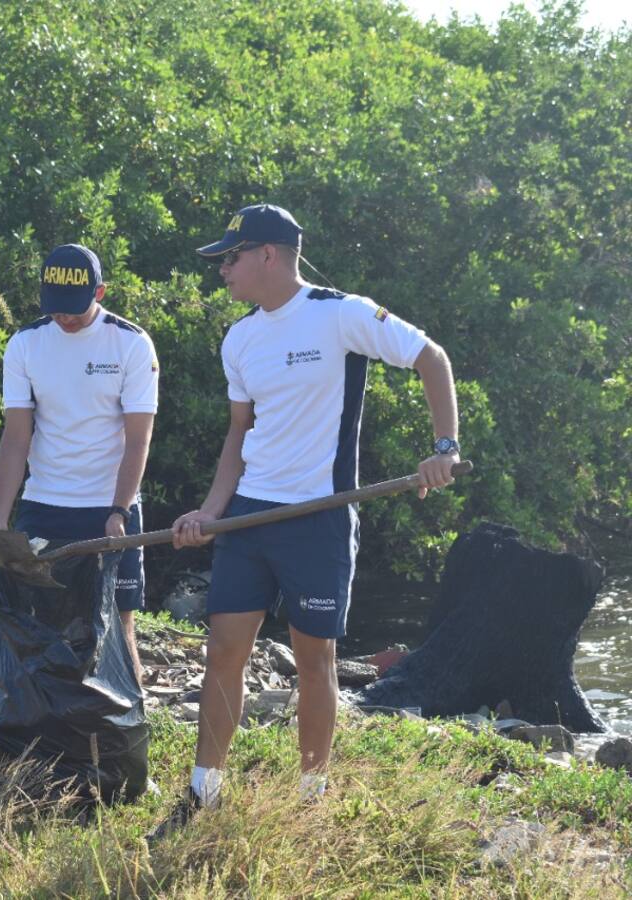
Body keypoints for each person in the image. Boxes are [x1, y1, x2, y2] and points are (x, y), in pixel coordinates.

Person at [151, 204, 459, 836]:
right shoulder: (238, 338)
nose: (223, 272)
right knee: (223, 651)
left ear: (268, 254)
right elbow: (239, 435)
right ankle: (202, 794)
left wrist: (443, 449)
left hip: (319, 517)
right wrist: (209, 514)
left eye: (229, 259)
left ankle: (311, 797)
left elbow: (433, 359)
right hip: (248, 519)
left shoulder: (341, 313)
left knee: (314, 657)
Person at [0, 244, 159, 680]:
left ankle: (127, 738)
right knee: (40, 626)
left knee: (118, 628)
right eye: (56, 308)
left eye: (75, 310)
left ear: (99, 292)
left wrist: (119, 511)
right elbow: (16, 436)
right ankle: (38, 739)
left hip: (109, 508)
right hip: (45, 504)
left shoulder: (131, 343)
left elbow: (138, 440)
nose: (65, 318)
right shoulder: (25, 343)